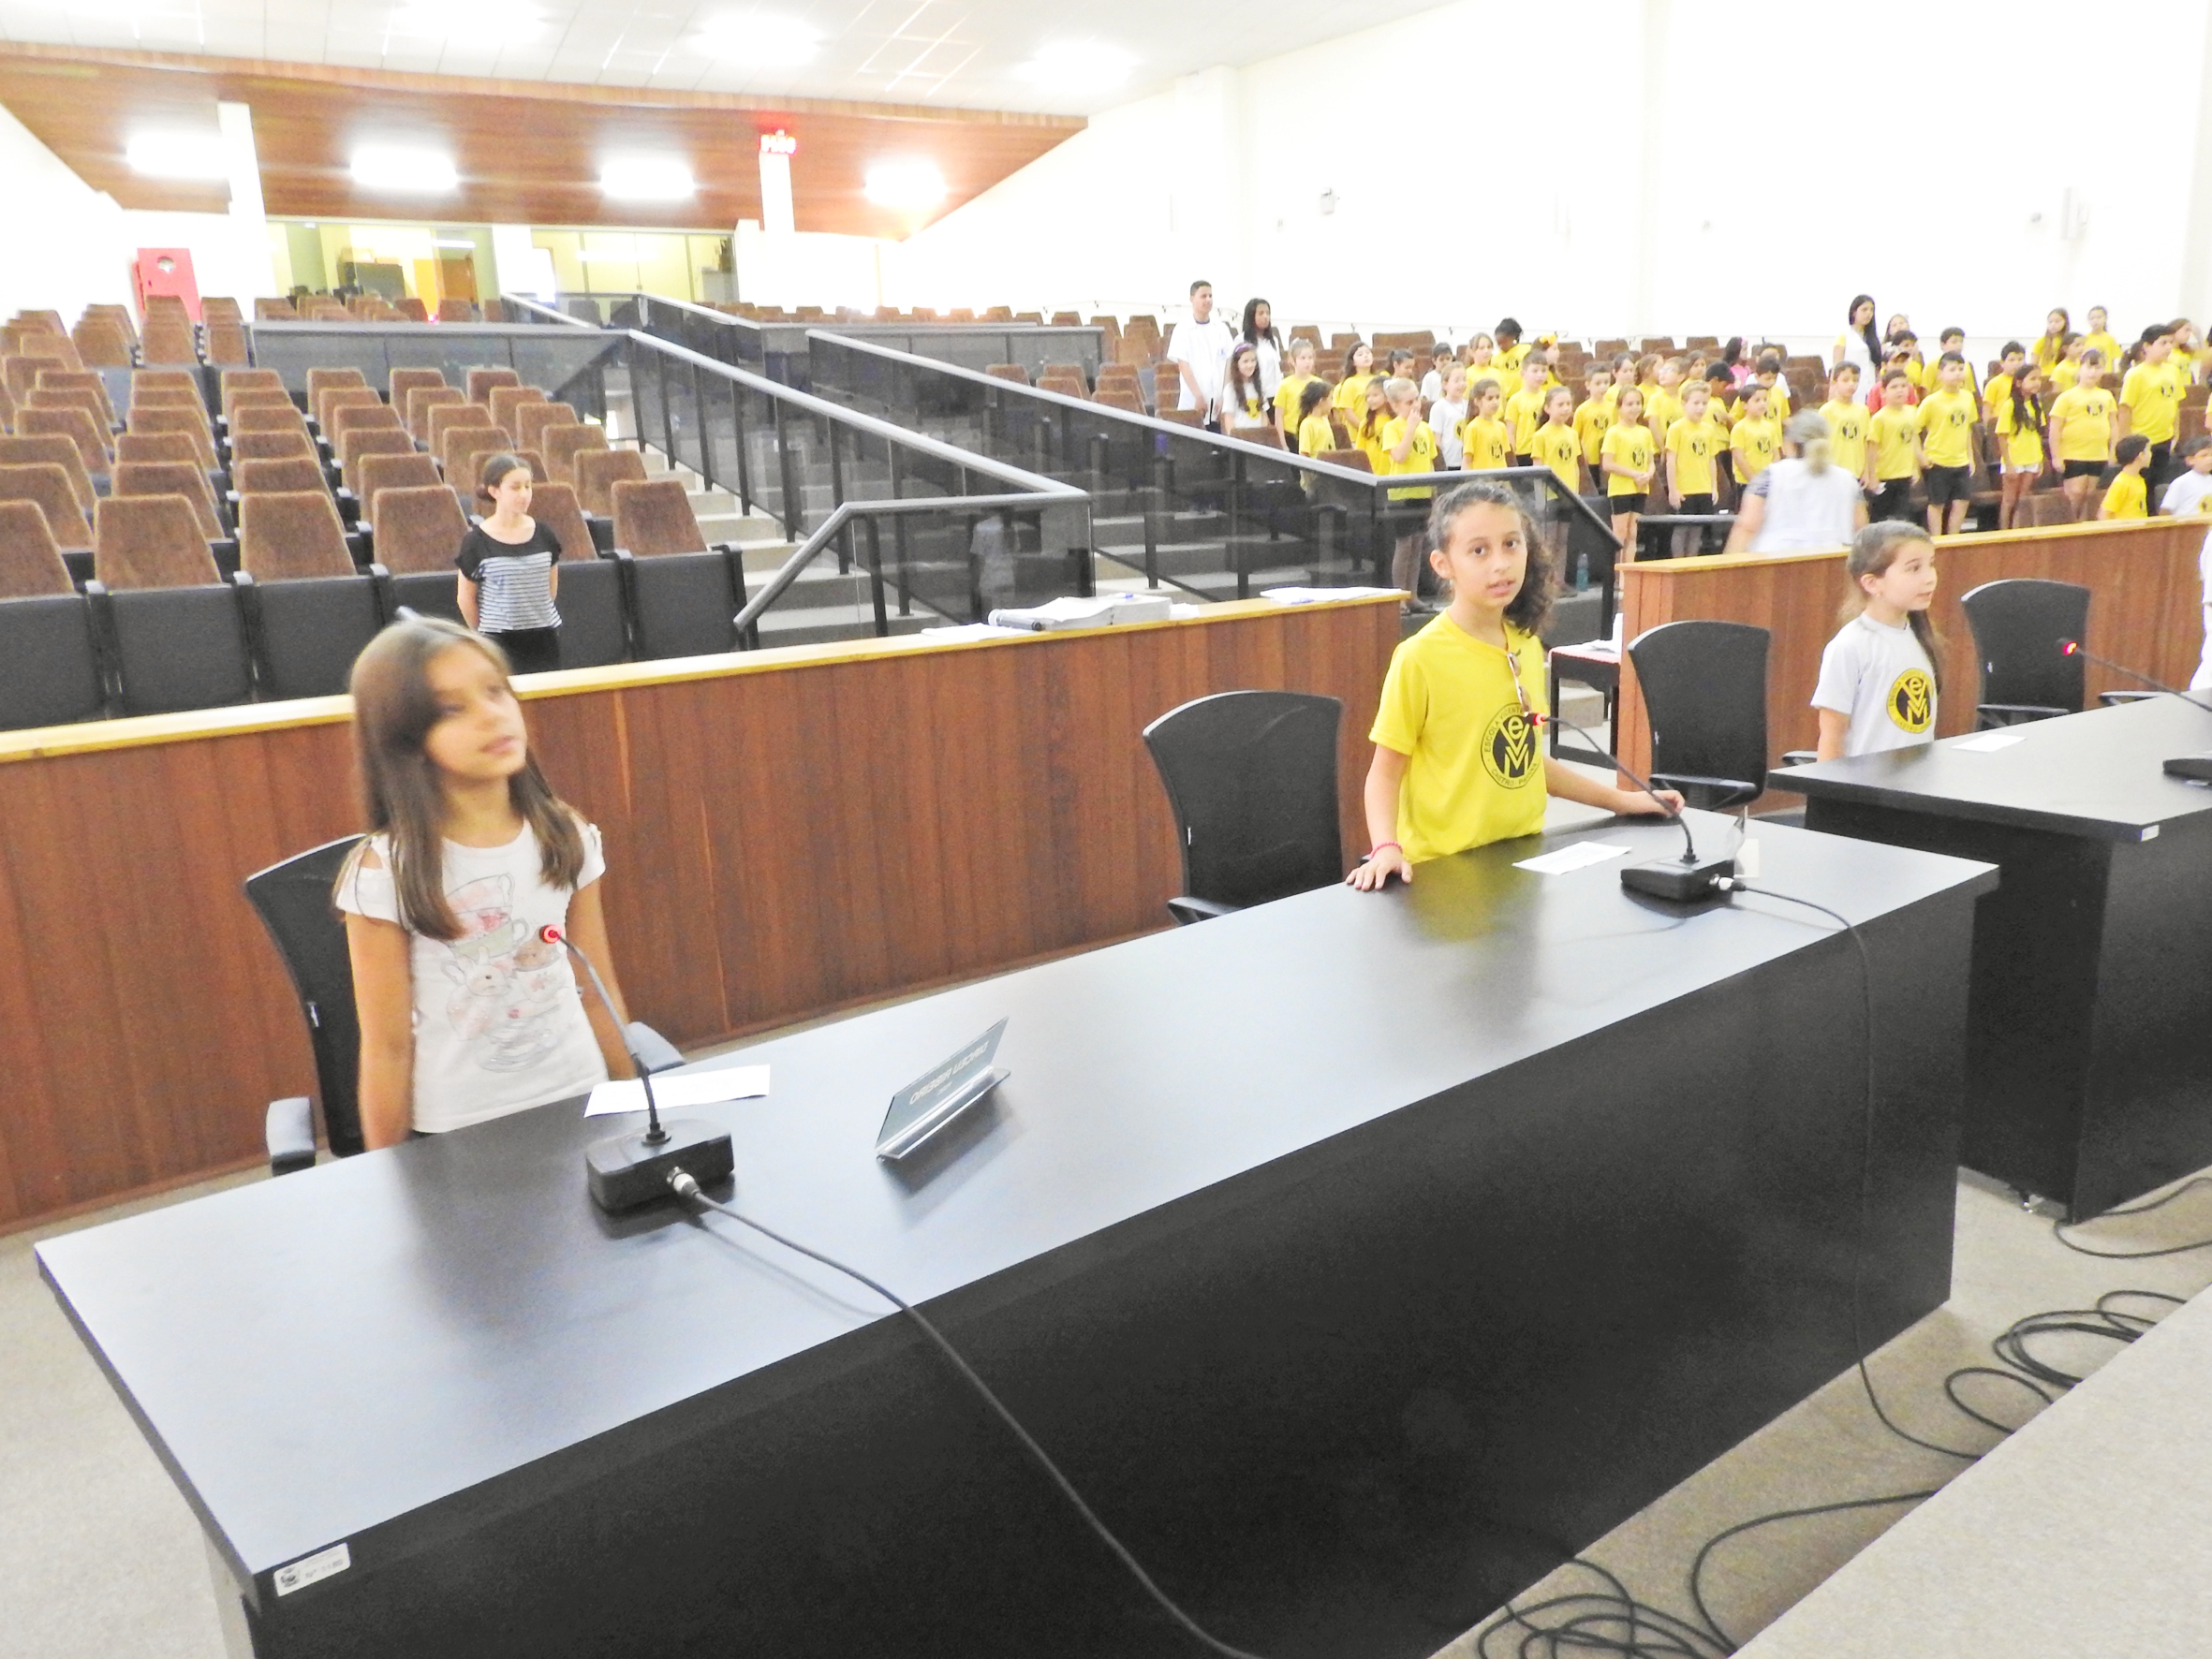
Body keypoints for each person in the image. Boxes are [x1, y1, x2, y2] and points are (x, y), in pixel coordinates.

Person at [335, 617, 634, 1148]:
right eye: (453, 709)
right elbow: (387, 1048)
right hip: (459, 1131)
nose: (492, 715)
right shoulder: (383, 872)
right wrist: (384, 1172)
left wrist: (635, 1108)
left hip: (581, 1101)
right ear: (406, 740)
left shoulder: (566, 835)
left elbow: (597, 989)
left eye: (496, 691)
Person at [1347, 481, 1684, 890]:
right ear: (1442, 564)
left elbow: (1527, 763)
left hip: (1521, 863)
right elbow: (1383, 775)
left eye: (1511, 544)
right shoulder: (1419, 658)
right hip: (1445, 875)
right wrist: (1385, 847)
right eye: (1479, 551)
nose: (1501, 564)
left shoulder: (1525, 642)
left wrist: (1626, 800)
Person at [1811, 521, 1940, 761]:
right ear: (1872, 583)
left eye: (1930, 565)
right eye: (1914, 568)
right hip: (1866, 782)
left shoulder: (1918, 636)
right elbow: (1831, 737)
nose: (1929, 578)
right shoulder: (1850, 646)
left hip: (1915, 779)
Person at [456, 454, 563, 675]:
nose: (524, 494)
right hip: (499, 640)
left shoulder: (544, 533)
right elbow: (466, 598)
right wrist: (484, 634)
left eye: (528, 486)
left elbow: (550, 585)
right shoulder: (476, 541)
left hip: (543, 636)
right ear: (495, 491)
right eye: (515, 488)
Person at [1727, 411, 1867, 555]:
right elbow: (1860, 528)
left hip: (1777, 560)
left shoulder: (1771, 476)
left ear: (1789, 443)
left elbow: (1748, 526)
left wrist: (1729, 562)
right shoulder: (1848, 480)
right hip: (1834, 562)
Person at [1379, 377, 1439, 609]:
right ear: (1395, 406)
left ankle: (1412, 595)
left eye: (1417, 400)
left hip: (1422, 493)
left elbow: (1429, 461)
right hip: (1402, 496)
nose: (1415, 405)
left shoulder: (1425, 429)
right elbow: (1399, 456)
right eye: (1409, 402)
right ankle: (1399, 598)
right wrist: (1411, 428)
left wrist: (1433, 493)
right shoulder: (1392, 427)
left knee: (1417, 547)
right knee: (1404, 546)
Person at [2047, 349, 2118, 521]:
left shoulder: (2106, 395)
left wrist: (2113, 451)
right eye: (2089, 367)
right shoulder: (2066, 397)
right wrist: (2056, 456)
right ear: (2080, 368)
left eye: (2098, 368)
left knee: (2089, 494)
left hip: (2098, 454)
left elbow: (2114, 426)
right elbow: (2055, 429)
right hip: (2073, 454)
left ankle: (2083, 525)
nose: (2093, 372)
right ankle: (2072, 524)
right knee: (2076, 493)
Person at [1916, 352, 1979, 536]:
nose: (1957, 373)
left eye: (1960, 369)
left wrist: (1971, 457)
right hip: (1937, 460)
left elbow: (1967, 429)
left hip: (1960, 460)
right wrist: (1920, 456)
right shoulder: (1931, 401)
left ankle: (1953, 538)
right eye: (1952, 369)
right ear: (1940, 374)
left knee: (1962, 501)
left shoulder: (1967, 398)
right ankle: (1937, 539)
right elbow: (1914, 430)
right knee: (1937, 504)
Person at [2118, 326, 2184, 493]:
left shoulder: (2172, 371)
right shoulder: (2135, 374)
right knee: (2141, 487)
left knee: (2158, 486)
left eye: (2170, 342)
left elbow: (2175, 404)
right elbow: (2125, 409)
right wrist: (2126, 442)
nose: (2168, 347)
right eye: (2163, 343)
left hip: (2165, 439)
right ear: (2147, 346)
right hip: (2142, 441)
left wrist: (2175, 433)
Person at [1165, 279, 1235, 427]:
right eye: (1203, 296)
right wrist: (1198, 395)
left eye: (1210, 296)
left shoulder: (1221, 329)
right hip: (1193, 401)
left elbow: (1229, 363)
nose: (1208, 300)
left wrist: (1224, 396)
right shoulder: (1183, 329)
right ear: (1192, 299)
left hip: (1218, 404)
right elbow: (1183, 365)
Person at [1664, 380, 1722, 554]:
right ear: (1684, 404)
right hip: (1685, 488)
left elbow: (1711, 460)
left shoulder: (1708, 429)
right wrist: (1673, 489)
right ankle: (1679, 564)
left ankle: (1692, 562)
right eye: (1696, 403)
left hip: (1703, 487)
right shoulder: (1676, 429)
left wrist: (1713, 487)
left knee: (1697, 530)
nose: (1700, 408)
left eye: (1704, 403)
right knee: (1682, 528)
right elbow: (1671, 460)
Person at [1992, 365, 2050, 529]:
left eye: (2039, 379)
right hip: (2014, 458)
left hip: (2031, 458)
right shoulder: (2009, 405)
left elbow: (2037, 435)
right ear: (2019, 383)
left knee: (2023, 499)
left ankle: (2018, 529)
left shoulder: (2036, 405)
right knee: (2009, 500)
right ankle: (2004, 532)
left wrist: (2039, 459)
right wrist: (2008, 464)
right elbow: (2002, 436)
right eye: (2032, 379)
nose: (2037, 383)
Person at [1600, 384, 1655, 553]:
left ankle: (1629, 568)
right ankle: (1616, 569)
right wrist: (1633, 474)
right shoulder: (1614, 432)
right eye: (1629, 404)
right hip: (1621, 489)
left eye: (1638, 403)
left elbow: (1650, 461)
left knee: (1633, 533)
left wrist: (1648, 474)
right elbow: (1607, 464)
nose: (1635, 408)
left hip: (1640, 488)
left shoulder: (1645, 432)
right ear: (1619, 407)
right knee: (1620, 533)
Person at [1866, 370, 1922, 522]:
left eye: (1903, 386)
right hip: (1885, 476)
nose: (1900, 390)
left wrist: (1915, 468)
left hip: (1904, 474)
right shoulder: (1879, 418)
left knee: (1902, 516)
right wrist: (1872, 476)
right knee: (1881, 518)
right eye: (1894, 387)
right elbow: (1872, 449)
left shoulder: (1912, 412)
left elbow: (1913, 441)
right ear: (1883, 392)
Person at [1821, 364, 1870, 486]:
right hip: (1833, 471)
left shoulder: (1863, 411)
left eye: (1855, 380)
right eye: (1845, 380)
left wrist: (1866, 471)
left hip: (1856, 471)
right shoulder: (1826, 411)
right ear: (1834, 383)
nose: (1851, 384)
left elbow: (1865, 443)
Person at [1531, 386, 1584, 493]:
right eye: (1560, 405)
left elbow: (1575, 466)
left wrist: (1576, 491)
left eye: (1568, 404)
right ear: (1547, 408)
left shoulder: (1573, 434)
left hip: (1570, 492)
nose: (1566, 408)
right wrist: (1540, 494)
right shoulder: (1541, 435)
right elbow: (1537, 469)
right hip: (1550, 494)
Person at [1503, 356, 1552, 466]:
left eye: (1543, 371)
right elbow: (1510, 431)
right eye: (1535, 371)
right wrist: (1512, 456)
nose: (1540, 375)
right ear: (1523, 373)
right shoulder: (1515, 400)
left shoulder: (1548, 398)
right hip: (1523, 452)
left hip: (1545, 450)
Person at [1572, 365, 1615, 486]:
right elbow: (1575, 436)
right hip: (1591, 459)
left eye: (1606, 382)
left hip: (1609, 458)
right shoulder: (1582, 409)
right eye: (1598, 383)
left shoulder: (1613, 408)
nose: (1603, 387)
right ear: (1588, 385)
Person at [1730, 383, 1780, 488]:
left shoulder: (1770, 427)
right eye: (1757, 400)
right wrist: (1754, 480)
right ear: (1744, 405)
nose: (1762, 404)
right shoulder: (1740, 428)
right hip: (1746, 483)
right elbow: (1739, 458)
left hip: (1768, 482)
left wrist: (1771, 477)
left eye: (1765, 400)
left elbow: (1775, 454)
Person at [1833, 295, 1880, 401]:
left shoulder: (1872, 339)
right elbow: (1836, 366)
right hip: (1851, 388)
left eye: (1871, 310)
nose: (1868, 313)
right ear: (1854, 312)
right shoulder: (1844, 336)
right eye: (1864, 310)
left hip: (1870, 390)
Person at [1220, 343, 1272, 437]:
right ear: (1236, 364)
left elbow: (1263, 414)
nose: (1250, 365)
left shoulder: (1259, 386)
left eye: (1253, 360)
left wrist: (1263, 434)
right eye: (1245, 361)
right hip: (1241, 438)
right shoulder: (1230, 389)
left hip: (1258, 437)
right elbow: (1228, 419)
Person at [1239, 298, 1284, 403]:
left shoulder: (1273, 340)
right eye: (1261, 313)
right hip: (1253, 395)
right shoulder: (1242, 340)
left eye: (1267, 313)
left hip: (1275, 395)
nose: (1265, 317)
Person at [1461, 378, 1512, 471]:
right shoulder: (1473, 428)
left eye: (1497, 397)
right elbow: (1467, 461)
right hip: (1481, 478)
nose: (1495, 402)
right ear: (1477, 402)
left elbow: (1503, 458)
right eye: (1490, 398)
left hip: (1500, 478)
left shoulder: (1501, 427)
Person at [1274, 338, 1321, 436]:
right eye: (1303, 358)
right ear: (1292, 361)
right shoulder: (1285, 385)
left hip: (1313, 433)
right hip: (1291, 433)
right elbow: (1279, 417)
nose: (1307, 362)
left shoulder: (1319, 383)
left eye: (1310, 358)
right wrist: (1282, 441)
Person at [2158, 433, 2212, 516]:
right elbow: (2166, 510)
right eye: (2203, 456)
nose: (2210, 459)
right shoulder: (2181, 482)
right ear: (2190, 460)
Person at [2100, 433, 2151, 520]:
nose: (2150, 455)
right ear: (2140, 455)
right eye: (2148, 451)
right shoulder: (2121, 482)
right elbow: (2105, 512)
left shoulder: (2139, 479)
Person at [1430, 364, 1469, 468]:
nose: (1462, 384)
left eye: (1464, 379)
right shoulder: (1439, 407)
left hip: (1466, 462)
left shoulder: (1469, 405)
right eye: (1456, 381)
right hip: (1449, 463)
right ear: (1445, 384)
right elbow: (1436, 440)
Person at [1334, 341, 1379, 427]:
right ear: (1353, 362)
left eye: (1368, 352)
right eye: (1360, 354)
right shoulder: (1349, 383)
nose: (1365, 356)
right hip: (1357, 432)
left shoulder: (1378, 379)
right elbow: (1348, 411)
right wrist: (1363, 429)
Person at [1983, 342, 2028, 423]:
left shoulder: (2027, 382)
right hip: (1999, 423)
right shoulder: (1994, 383)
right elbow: (1987, 410)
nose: (2016, 363)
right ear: (2002, 363)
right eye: (2011, 360)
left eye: (2020, 359)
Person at [2079, 306, 2120, 371]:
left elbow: (2116, 359)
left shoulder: (2110, 338)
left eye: (2099, 317)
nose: (2095, 321)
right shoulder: (2085, 339)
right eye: (2092, 318)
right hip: (2090, 372)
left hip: (2106, 372)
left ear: (2105, 319)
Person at [2033, 307, 2070, 374]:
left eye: (2057, 321)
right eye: (2050, 322)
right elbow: (2034, 363)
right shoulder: (2042, 341)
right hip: (2044, 375)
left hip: (2063, 374)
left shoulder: (2068, 341)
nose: (2053, 325)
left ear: (2065, 322)